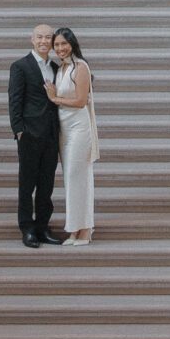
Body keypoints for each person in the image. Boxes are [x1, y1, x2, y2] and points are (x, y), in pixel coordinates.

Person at [8, 21, 62, 248]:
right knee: (27, 183)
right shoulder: (20, 66)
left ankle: (42, 226)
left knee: (47, 183)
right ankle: (27, 228)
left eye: (48, 37)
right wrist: (19, 130)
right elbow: (15, 100)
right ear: (32, 39)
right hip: (29, 134)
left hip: (51, 135)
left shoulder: (57, 67)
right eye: (39, 37)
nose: (43, 41)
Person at [49, 26, 97, 245]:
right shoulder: (60, 69)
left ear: (72, 44)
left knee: (79, 177)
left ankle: (85, 229)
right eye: (56, 44)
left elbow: (79, 101)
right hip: (64, 130)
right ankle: (74, 229)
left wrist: (55, 99)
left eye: (63, 44)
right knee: (70, 180)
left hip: (79, 128)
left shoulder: (81, 67)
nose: (60, 48)